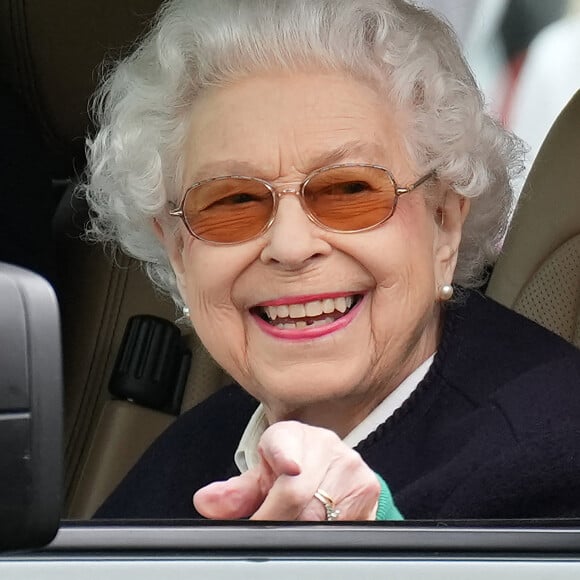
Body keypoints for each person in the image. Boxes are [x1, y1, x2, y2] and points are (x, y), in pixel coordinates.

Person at [85, 0, 580, 521]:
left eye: (349, 190)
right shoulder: (191, 454)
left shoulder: (553, 457)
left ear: (444, 224)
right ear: (178, 250)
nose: (292, 247)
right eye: (232, 203)